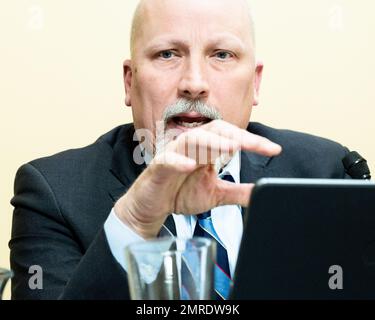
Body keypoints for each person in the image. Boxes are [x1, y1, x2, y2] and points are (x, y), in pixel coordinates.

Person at [9, 0, 351, 300]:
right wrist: (134, 219)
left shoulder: (324, 171)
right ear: (130, 81)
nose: (194, 83)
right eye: (167, 54)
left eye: (221, 55)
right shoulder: (51, 192)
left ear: (255, 82)